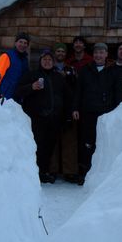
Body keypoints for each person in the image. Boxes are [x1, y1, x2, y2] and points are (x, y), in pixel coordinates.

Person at [15, 49, 70, 184]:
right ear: (40, 61)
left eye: (49, 60)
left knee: (49, 147)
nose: (47, 62)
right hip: (36, 118)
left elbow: (68, 96)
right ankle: (35, 174)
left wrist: (67, 114)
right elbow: (18, 92)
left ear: (53, 62)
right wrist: (31, 87)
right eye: (44, 59)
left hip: (54, 119)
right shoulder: (32, 75)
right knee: (37, 147)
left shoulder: (59, 77)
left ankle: (44, 172)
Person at [72, 42, 122, 185]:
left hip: (106, 114)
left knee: (102, 143)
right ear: (93, 55)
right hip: (87, 112)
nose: (98, 55)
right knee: (86, 143)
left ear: (106, 54)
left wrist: (119, 110)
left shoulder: (113, 71)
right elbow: (78, 91)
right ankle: (84, 173)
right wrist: (75, 108)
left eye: (101, 52)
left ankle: (101, 175)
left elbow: (119, 92)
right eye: (96, 53)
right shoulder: (85, 70)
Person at [50, 42, 79, 181]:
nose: (60, 53)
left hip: (68, 107)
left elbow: (76, 89)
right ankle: (52, 169)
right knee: (52, 140)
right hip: (53, 108)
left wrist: (74, 107)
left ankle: (70, 171)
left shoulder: (71, 69)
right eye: (58, 51)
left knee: (69, 140)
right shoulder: (49, 68)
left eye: (62, 51)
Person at [0, 33, 30, 102]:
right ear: (15, 43)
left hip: (17, 99)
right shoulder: (6, 56)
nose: (23, 45)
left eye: (25, 43)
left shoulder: (25, 60)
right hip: (3, 98)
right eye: (20, 42)